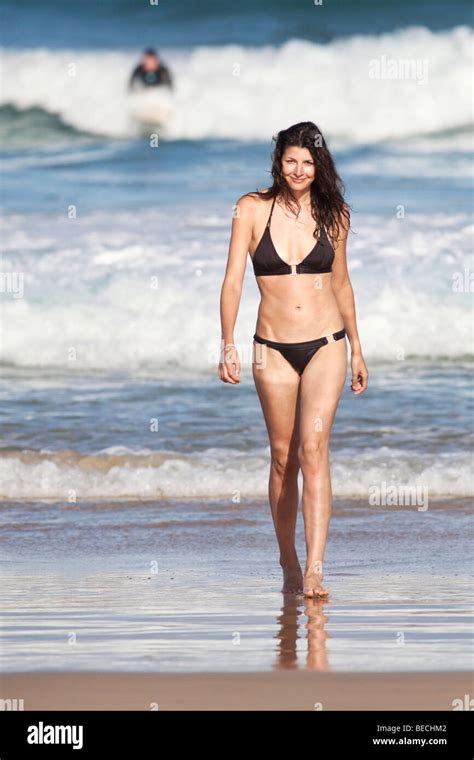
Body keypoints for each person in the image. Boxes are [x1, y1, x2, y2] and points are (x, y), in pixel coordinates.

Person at [218, 121, 368, 598]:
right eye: (291, 161)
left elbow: (341, 284)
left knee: (312, 451)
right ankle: (288, 559)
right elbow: (233, 282)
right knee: (283, 458)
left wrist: (358, 348)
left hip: (327, 343)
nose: (299, 170)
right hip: (271, 349)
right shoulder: (250, 210)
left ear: (317, 165)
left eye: (307, 162)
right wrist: (227, 342)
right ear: (278, 163)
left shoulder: (336, 214)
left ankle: (315, 569)